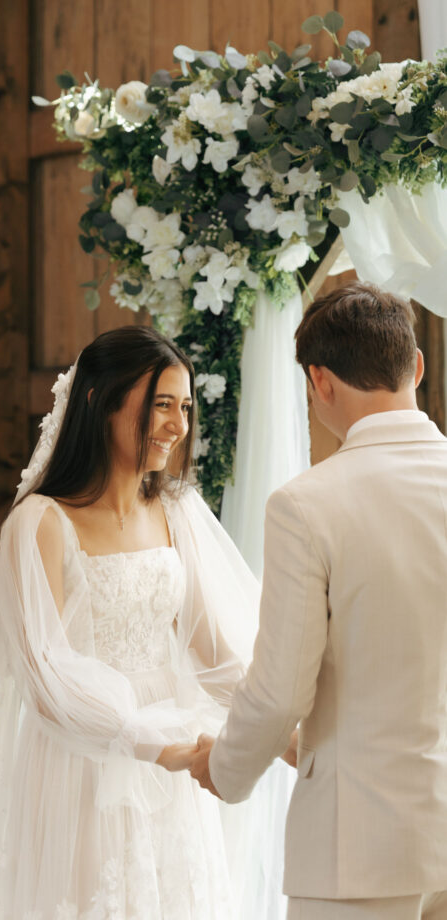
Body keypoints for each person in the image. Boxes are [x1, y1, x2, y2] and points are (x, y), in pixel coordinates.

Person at [0, 324, 289, 920]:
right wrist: (163, 747)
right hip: (80, 766)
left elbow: (217, 654)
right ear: (100, 400)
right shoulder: (37, 524)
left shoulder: (176, 510)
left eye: (185, 406)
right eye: (161, 405)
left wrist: (283, 731)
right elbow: (48, 681)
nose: (179, 425)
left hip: (174, 774)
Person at [191, 282, 447, 919]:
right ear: (416, 366)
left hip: (359, 845)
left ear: (319, 382)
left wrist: (224, 770)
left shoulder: (308, 505)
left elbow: (281, 693)